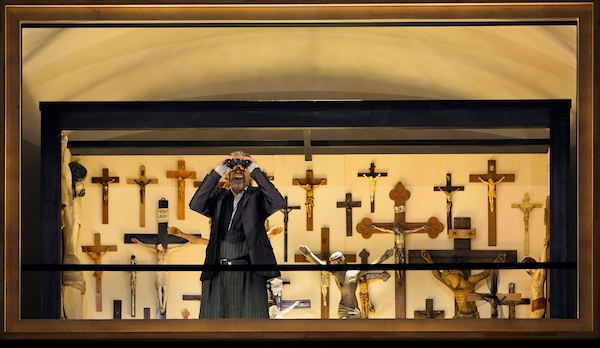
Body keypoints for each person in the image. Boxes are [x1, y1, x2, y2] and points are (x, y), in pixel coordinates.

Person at [189, 150, 286, 318]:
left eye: (244, 167)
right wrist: (219, 169)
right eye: (233, 167)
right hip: (217, 272)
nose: (238, 169)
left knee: (252, 327)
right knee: (213, 327)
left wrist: (255, 169)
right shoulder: (219, 196)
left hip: (250, 273)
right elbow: (196, 204)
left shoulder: (257, 197)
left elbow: (277, 202)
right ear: (227, 174)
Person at [298, 244, 393, 319]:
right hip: (343, 308)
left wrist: (385, 256)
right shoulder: (336, 274)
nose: (336, 264)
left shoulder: (355, 272)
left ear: (343, 260)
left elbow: (372, 266)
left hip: (355, 309)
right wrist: (308, 254)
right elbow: (320, 265)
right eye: (334, 263)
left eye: (337, 261)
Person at [420, 250, 506, 318]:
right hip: (461, 317)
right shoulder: (454, 289)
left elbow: (486, 273)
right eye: (448, 281)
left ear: (457, 274)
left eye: (449, 279)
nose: (449, 283)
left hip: (473, 316)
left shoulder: (471, 281)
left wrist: (497, 262)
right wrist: (429, 260)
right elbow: (438, 276)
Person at [130, 237, 191, 315]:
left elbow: (179, 247)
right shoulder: (156, 252)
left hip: (165, 271)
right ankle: (161, 305)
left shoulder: (168, 251)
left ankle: (164, 305)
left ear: (162, 246)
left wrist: (188, 243)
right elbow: (146, 247)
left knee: (165, 287)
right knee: (159, 288)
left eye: (159, 246)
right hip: (159, 271)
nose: (158, 248)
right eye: (157, 247)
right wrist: (138, 242)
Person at [523, 238, 549, 318]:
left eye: (525, 268)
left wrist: (544, 247)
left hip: (539, 306)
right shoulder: (534, 275)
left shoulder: (538, 274)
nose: (525, 271)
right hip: (536, 305)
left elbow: (543, 263)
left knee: (532, 327)